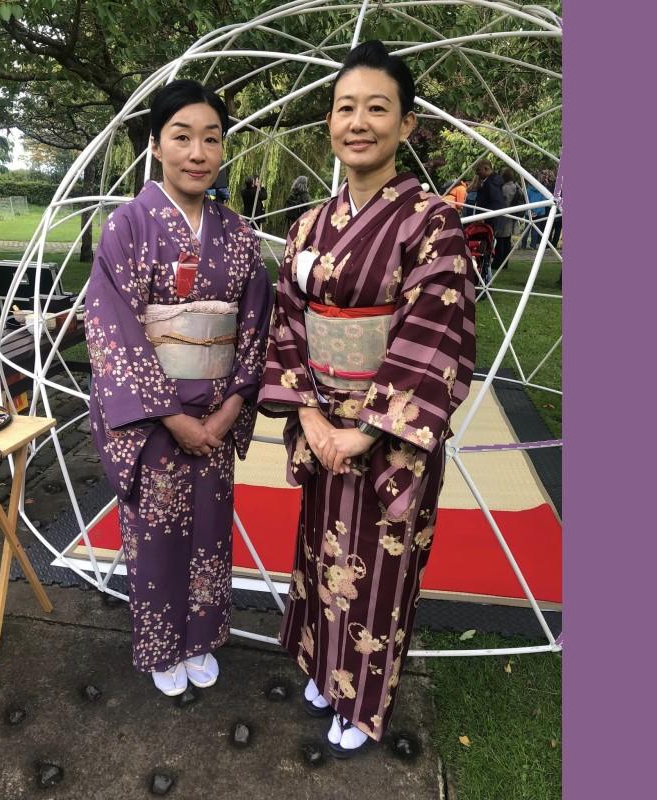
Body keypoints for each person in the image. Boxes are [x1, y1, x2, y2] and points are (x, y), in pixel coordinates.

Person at [259, 40, 475, 757]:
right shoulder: (305, 227)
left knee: (378, 568)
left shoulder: (431, 222)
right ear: (329, 123)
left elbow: (433, 331)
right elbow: (289, 322)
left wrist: (365, 431)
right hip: (323, 421)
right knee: (322, 556)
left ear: (406, 126)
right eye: (346, 107)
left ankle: (362, 703)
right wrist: (313, 417)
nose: (359, 121)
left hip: (387, 434)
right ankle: (326, 669)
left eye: (377, 108)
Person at [85, 79, 274, 699]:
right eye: (182, 136)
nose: (198, 152)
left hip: (217, 413)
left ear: (223, 150)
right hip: (157, 421)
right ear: (156, 145)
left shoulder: (238, 235)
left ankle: (200, 639)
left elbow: (255, 324)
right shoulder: (127, 226)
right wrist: (170, 415)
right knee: (159, 535)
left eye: (211, 139)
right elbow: (113, 329)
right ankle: (161, 644)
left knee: (209, 532)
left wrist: (232, 405)